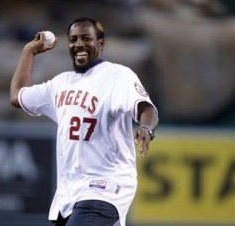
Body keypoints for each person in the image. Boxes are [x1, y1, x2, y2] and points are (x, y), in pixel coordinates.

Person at [10, 17, 159, 226]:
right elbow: (17, 96)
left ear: (100, 43)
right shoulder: (60, 83)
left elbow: (147, 108)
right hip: (68, 193)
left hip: (105, 185)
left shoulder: (118, 76)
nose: (79, 44)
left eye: (86, 38)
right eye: (73, 39)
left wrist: (145, 127)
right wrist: (29, 51)